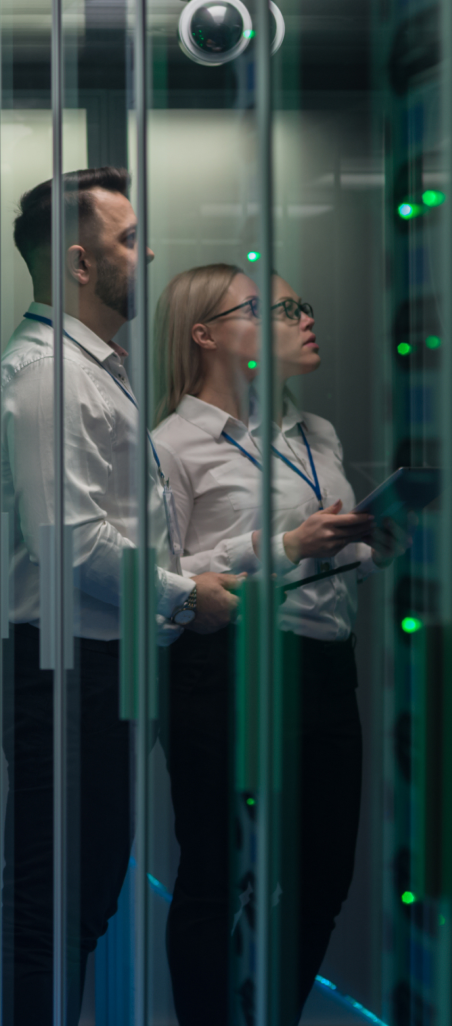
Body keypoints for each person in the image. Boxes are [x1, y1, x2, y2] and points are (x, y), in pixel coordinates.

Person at [0, 167, 244, 1025]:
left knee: (68, 914)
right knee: (52, 917)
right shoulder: (50, 374)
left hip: (95, 671)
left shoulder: (90, 368)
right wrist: (184, 596)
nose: (150, 251)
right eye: (131, 239)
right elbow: (73, 543)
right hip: (70, 674)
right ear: (79, 264)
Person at [151, 266, 405, 1024]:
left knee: (322, 881)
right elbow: (159, 578)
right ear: (207, 334)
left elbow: (317, 556)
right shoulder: (171, 444)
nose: (304, 317)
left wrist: (364, 545)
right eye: (278, 308)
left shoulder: (311, 433)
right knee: (216, 879)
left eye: (302, 304)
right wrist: (285, 541)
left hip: (324, 671)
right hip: (227, 671)